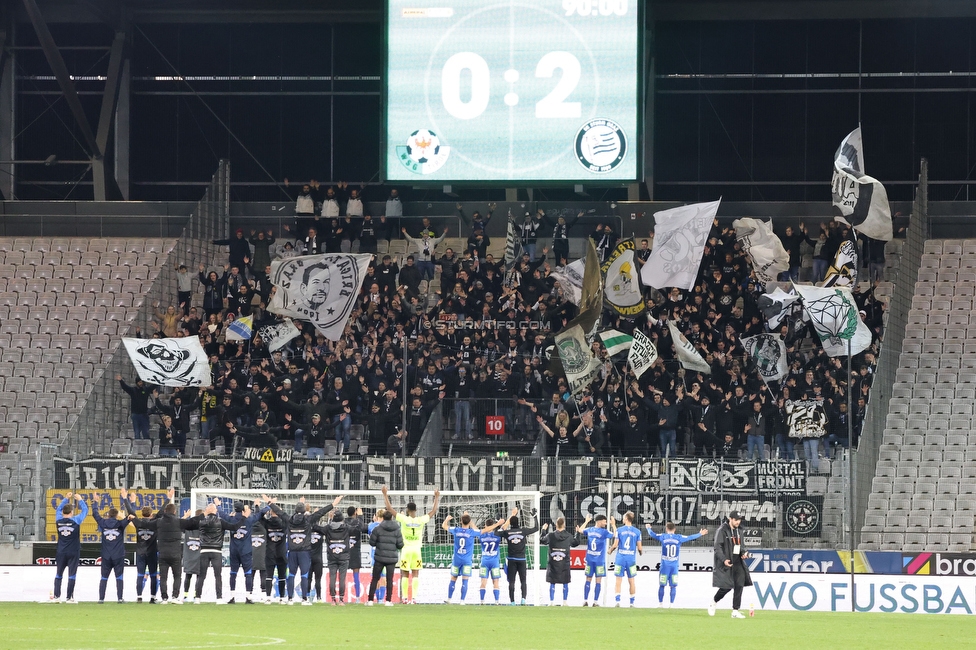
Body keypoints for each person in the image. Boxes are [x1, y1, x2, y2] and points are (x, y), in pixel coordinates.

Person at [268, 494, 343, 605]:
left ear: (295, 510)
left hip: (292, 552)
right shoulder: (308, 519)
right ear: (304, 511)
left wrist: (270, 503)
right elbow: (320, 512)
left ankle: (290, 599)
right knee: (304, 575)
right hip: (304, 552)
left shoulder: (289, 519)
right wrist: (333, 504)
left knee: (292, 575)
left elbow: (279, 512)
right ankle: (304, 599)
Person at [381, 485, 441, 604]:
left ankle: (404, 598)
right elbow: (433, 511)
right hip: (416, 550)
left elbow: (389, 508)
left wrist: (385, 494)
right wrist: (436, 497)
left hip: (406, 550)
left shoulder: (404, 519)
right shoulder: (421, 520)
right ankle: (413, 599)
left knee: (404, 573)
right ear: (416, 510)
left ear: (407, 510)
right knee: (415, 573)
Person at [218, 497, 269, 604]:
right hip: (246, 550)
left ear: (235, 509)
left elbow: (222, 514)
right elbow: (261, 514)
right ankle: (248, 597)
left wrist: (218, 505)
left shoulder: (230, 519)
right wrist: (268, 504)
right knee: (248, 573)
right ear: (243, 510)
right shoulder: (249, 520)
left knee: (233, 573)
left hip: (234, 550)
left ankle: (232, 597)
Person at [646, 521, 708, 608]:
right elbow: (690, 537)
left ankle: (660, 604)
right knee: (673, 586)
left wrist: (648, 527)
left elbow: (652, 534)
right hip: (674, 566)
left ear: (666, 529)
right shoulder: (679, 537)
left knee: (662, 585)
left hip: (664, 566)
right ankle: (671, 604)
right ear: (674, 529)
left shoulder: (663, 536)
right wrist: (700, 534)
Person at [152, 487, 198, 604]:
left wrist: (168, 499)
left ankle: (164, 598)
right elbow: (190, 523)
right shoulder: (178, 522)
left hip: (162, 554)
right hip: (175, 554)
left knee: (163, 577)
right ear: (174, 512)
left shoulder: (159, 522)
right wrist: (203, 515)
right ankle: (175, 597)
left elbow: (158, 515)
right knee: (177, 576)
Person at [708, 511, 752, 618]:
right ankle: (714, 601)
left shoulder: (739, 530)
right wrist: (724, 560)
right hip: (727, 562)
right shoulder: (722, 530)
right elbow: (717, 547)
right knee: (726, 586)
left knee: (739, 585)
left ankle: (735, 610)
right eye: (736, 520)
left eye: (739, 520)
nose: (738, 522)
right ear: (730, 519)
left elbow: (741, 545)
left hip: (738, 561)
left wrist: (744, 553)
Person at [91, 495, 134, 603]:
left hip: (106, 555)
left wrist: (95, 502)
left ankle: (101, 599)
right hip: (118, 555)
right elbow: (131, 516)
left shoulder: (103, 523)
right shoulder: (120, 524)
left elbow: (95, 514)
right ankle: (119, 598)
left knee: (104, 577)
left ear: (109, 515)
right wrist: (132, 502)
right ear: (116, 516)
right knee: (119, 577)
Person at [121, 489, 160, 603]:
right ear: (151, 514)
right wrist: (168, 499)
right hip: (152, 552)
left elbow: (131, 513)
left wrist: (126, 499)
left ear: (142, 514)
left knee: (140, 575)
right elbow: (161, 512)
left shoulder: (138, 522)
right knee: (153, 575)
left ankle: (139, 597)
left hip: (140, 552)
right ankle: (152, 598)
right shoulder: (155, 523)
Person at [52, 492, 88, 603]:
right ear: (72, 512)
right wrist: (80, 500)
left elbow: (58, 509)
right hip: (73, 551)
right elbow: (85, 511)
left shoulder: (58, 519)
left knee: (59, 574)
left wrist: (66, 498)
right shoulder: (76, 520)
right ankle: (69, 597)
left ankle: (57, 596)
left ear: (63, 512)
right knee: (72, 574)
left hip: (61, 551)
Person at [498, 507, 538, 605]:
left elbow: (496, 532)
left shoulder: (507, 533)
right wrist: (535, 517)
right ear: (518, 522)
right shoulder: (523, 531)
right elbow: (536, 528)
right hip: (522, 559)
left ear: (510, 523)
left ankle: (512, 602)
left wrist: (499, 523)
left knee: (512, 581)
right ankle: (523, 599)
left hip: (511, 560)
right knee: (523, 580)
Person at [194, 501, 229, 604]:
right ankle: (219, 598)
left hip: (204, 550)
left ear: (207, 511)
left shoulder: (201, 521)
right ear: (215, 510)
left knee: (201, 575)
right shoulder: (221, 521)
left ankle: (197, 598)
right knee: (218, 575)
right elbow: (234, 526)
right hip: (216, 550)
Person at [367, 508, 403, 606]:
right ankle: (388, 600)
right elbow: (400, 545)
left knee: (375, 578)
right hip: (391, 558)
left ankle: (370, 600)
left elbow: (372, 543)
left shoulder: (377, 528)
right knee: (389, 579)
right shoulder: (397, 529)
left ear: (382, 517)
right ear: (392, 517)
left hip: (379, 557)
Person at [540, 516, 578, 606]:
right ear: (564, 525)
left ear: (556, 525)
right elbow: (576, 543)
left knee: (552, 582)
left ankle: (551, 601)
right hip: (564, 563)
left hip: (553, 563)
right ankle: (565, 601)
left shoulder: (551, 535)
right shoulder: (568, 536)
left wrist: (543, 531)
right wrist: (578, 533)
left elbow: (542, 540)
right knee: (565, 582)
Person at [441, 512, 478, 604]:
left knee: (453, 579)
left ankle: (449, 599)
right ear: (469, 522)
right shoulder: (472, 532)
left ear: (461, 521)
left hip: (457, 560)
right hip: (467, 561)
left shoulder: (456, 530)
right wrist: (470, 522)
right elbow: (477, 530)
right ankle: (462, 601)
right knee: (465, 580)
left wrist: (446, 519)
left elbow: (444, 526)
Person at [578, 514, 613, 607]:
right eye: (604, 521)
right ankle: (595, 601)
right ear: (599, 521)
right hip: (599, 561)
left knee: (588, 579)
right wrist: (613, 525)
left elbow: (580, 530)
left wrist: (586, 521)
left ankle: (585, 600)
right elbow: (615, 535)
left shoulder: (589, 530)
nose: (606, 523)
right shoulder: (604, 532)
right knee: (598, 581)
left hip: (589, 559)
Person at [612, 511, 643, 608]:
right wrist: (640, 552)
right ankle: (632, 602)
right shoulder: (637, 531)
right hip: (631, 560)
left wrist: (610, 550)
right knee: (632, 580)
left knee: (618, 580)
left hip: (620, 558)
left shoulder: (619, 530)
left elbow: (615, 545)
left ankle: (617, 601)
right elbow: (640, 548)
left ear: (626, 519)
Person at [323, 510, 351, 605]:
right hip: (344, 556)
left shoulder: (327, 528)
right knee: (342, 578)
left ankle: (333, 599)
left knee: (332, 577)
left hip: (332, 556)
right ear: (342, 518)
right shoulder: (346, 528)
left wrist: (329, 519)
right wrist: (359, 517)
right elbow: (358, 528)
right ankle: (342, 599)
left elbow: (317, 528)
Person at [476, 517, 506, 604]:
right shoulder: (497, 535)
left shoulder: (481, 534)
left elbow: (474, 528)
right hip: (494, 562)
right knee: (496, 581)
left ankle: (482, 601)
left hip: (484, 562)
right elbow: (504, 527)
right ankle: (497, 601)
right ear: (493, 525)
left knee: (483, 581)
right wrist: (502, 522)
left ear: (485, 525)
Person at [263, 507, 289, 603]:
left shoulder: (267, 522)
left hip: (270, 553)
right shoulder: (283, 523)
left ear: (270, 512)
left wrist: (259, 507)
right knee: (282, 576)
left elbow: (259, 518)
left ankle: (268, 598)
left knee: (269, 576)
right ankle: (282, 598)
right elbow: (287, 519)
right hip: (281, 553)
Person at [117, 375, 154, 440]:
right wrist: (121, 381)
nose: (141, 383)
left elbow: (153, 386)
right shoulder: (133, 390)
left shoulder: (146, 390)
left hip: (144, 415)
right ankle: (138, 447)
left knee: (146, 432)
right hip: (135, 415)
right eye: (139, 382)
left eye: (142, 382)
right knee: (137, 433)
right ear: (136, 382)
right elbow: (125, 387)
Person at [181, 509, 203, 601]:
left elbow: (179, 524)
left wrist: (185, 517)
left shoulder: (187, 527)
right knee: (199, 576)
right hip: (199, 556)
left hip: (188, 555)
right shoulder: (203, 528)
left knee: (188, 576)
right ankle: (196, 596)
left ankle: (185, 595)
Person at [345, 506, 366, 602]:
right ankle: (357, 597)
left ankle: (341, 597)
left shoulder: (343, 522)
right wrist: (361, 516)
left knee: (342, 575)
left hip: (344, 551)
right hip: (355, 551)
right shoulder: (358, 522)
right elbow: (361, 527)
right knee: (356, 575)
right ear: (355, 513)